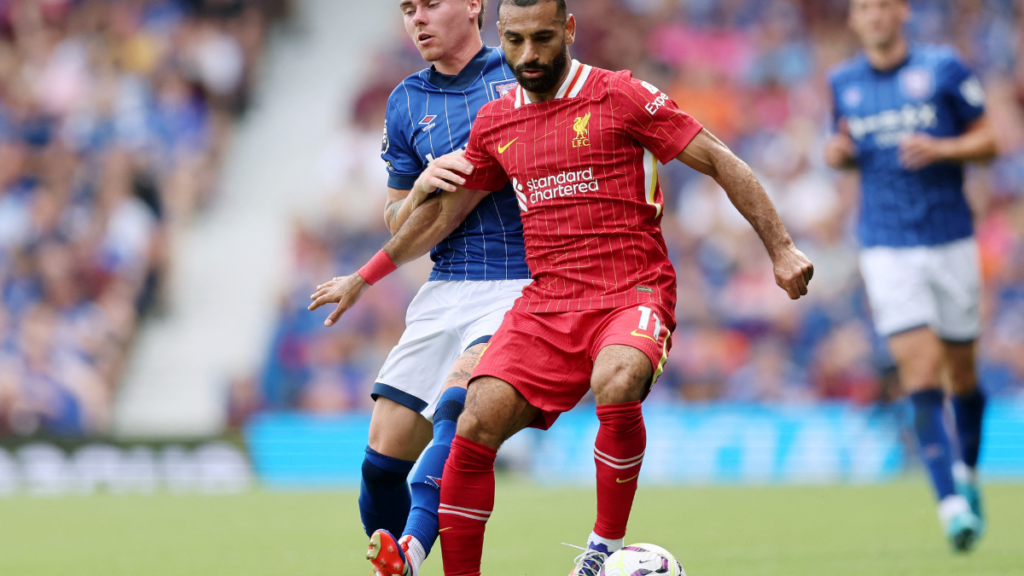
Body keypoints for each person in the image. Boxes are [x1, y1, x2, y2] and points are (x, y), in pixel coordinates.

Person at [353, 1, 810, 574]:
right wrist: (365, 274)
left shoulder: (620, 95)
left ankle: (602, 550)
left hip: (630, 292)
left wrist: (782, 247)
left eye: (542, 39)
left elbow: (720, 160)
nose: (528, 56)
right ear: (500, 35)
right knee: (474, 421)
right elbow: (442, 216)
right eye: (515, 41)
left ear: (568, 30)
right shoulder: (496, 122)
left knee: (616, 379)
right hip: (546, 304)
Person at [308, 2, 531, 575]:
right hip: (444, 285)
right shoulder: (405, 100)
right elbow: (394, 216)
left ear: (474, 5)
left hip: (518, 280)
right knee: (381, 463)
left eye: (429, 4)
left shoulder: (520, 74)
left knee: (459, 406)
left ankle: (409, 553)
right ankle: (396, 562)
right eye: (407, 9)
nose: (416, 19)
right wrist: (419, 191)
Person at [824, 0, 997, 552]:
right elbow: (844, 149)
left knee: (963, 377)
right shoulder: (842, 82)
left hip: (950, 239)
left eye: (882, 6)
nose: (873, 16)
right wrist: (838, 155)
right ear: (853, 20)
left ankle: (966, 473)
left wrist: (944, 147)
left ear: (901, 12)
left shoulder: (944, 67)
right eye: (863, 9)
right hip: (887, 246)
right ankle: (950, 507)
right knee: (920, 373)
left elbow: (991, 140)